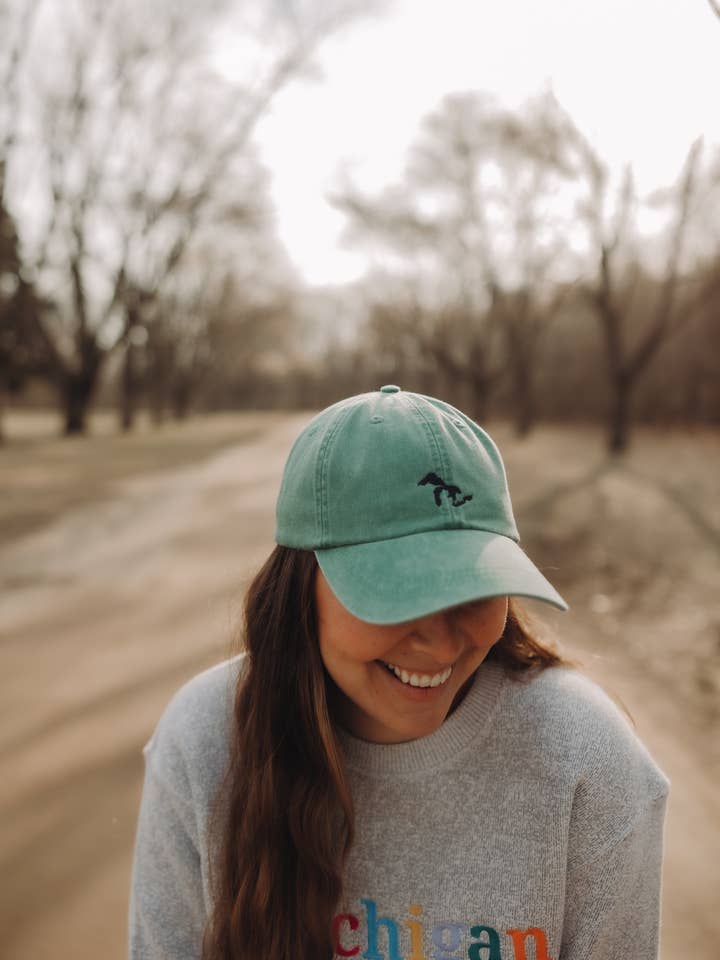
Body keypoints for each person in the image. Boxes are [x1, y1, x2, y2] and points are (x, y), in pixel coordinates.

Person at [128, 385, 670, 960]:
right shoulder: (205, 742)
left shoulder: (587, 758)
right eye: (396, 591)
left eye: (472, 587)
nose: (438, 641)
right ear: (299, 585)